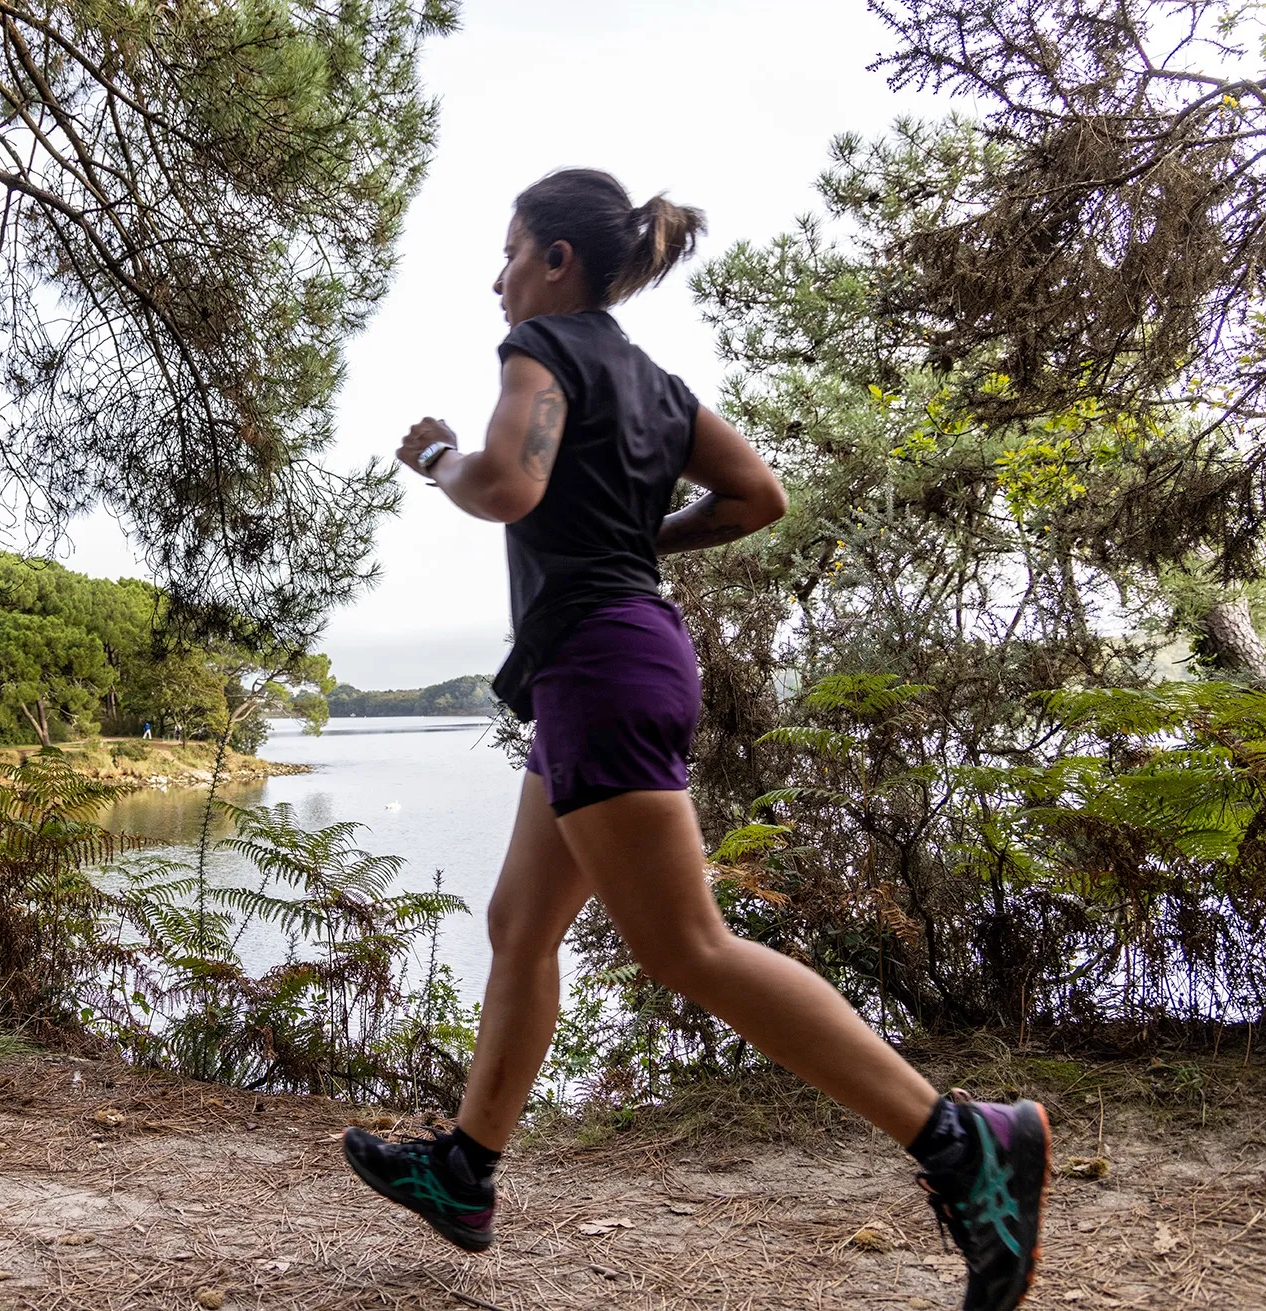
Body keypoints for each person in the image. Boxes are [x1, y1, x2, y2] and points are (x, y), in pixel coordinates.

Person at [340, 169, 1051, 1311]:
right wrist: (637, 541)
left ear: (558, 260)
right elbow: (756, 495)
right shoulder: (657, 383)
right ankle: (464, 1172)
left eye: (511, 249)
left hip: (600, 666)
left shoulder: (542, 345)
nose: (499, 274)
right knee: (521, 925)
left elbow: (508, 486)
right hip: (620, 658)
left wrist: (433, 458)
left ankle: (962, 1139)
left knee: (688, 949)